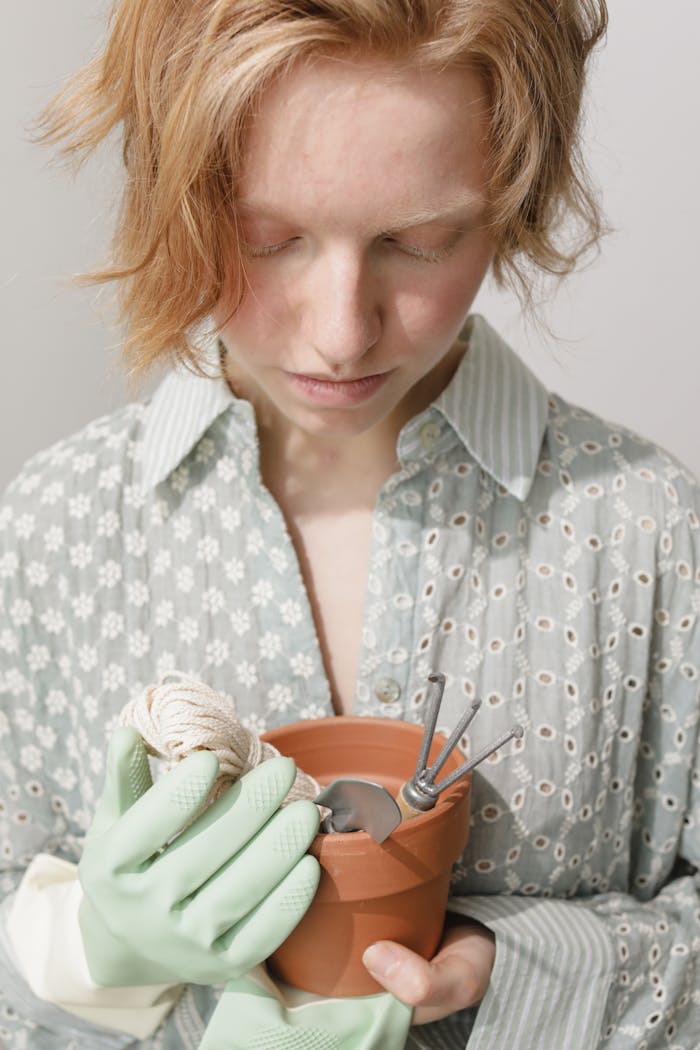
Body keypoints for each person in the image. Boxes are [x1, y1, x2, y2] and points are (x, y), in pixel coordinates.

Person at [1, 0, 698, 1047]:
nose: (340, 333)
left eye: (420, 242)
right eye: (265, 240)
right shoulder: (54, 531)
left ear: (510, 200)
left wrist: (526, 977)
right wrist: (92, 953)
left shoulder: (643, 531)